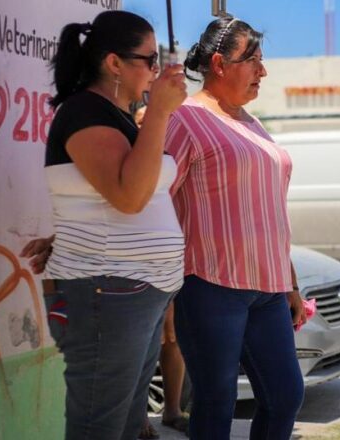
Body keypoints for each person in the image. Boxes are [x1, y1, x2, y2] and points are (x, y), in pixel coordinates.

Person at [25, 10, 186, 440]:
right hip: (110, 293)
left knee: (127, 424)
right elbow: (129, 196)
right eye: (149, 60)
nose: (157, 69)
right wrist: (159, 114)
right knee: (99, 427)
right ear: (114, 63)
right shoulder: (83, 112)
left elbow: (104, 200)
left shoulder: (114, 116)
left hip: (135, 291)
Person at [166, 16, 307, 440]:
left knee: (285, 395)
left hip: (268, 288)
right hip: (210, 284)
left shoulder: (252, 123)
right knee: (215, 401)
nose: (263, 71)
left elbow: (271, 210)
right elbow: (156, 201)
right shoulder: (184, 120)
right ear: (219, 64)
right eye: (253, 60)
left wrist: (291, 284)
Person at [132, 105, 190, 440]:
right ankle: (139, 417)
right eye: (141, 121)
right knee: (151, 340)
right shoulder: (135, 155)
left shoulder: (171, 158)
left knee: (173, 337)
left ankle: (172, 410)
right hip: (143, 261)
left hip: (174, 257)